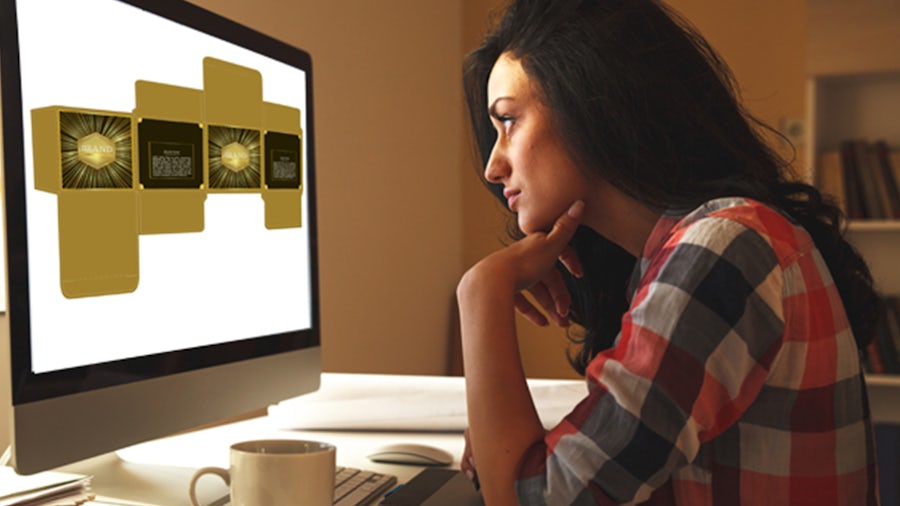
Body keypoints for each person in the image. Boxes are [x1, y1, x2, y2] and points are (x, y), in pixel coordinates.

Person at [455, 0, 882, 504]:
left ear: (590, 107)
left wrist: (482, 290)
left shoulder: (723, 248)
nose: (493, 166)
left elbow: (535, 497)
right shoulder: (689, 249)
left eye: (508, 120)